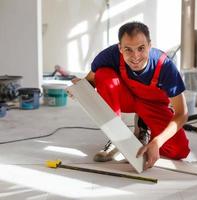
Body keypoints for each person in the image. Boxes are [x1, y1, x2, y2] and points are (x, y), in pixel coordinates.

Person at [72, 21, 190, 169]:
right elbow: (90, 81)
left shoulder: (166, 66)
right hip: (127, 99)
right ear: (120, 48)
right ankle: (115, 136)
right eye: (128, 49)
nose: (135, 56)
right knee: (103, 74)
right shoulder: (109, 56)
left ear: (149, 45)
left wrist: (157, 142)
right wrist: (79, 89)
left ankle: (143, 127)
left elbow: (182, 113)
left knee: (179, 150)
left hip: (152, 106)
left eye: (141, 48)